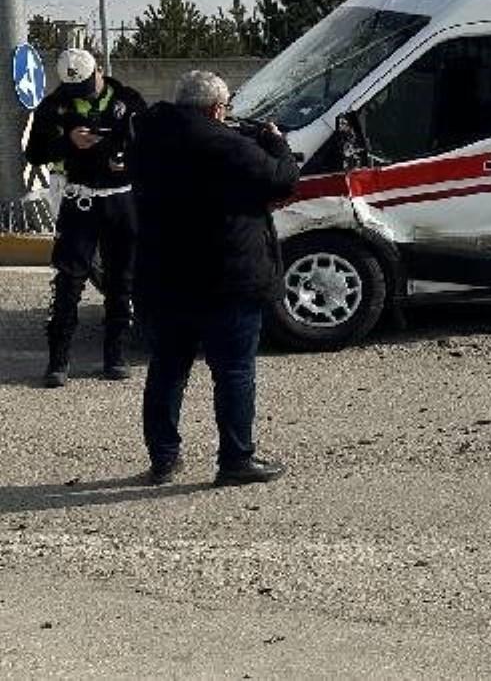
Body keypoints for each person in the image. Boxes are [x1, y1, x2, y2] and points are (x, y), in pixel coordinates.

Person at [128, 71, 299, 486]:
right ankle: (235, 460)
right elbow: (282, 177)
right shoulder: (224, 144)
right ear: (217, 108)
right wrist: (275, 141)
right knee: (235, 371)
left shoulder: (146, 138)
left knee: (167, 369)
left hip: (163, 277)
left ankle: (164, 459)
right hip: (226, 278)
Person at [23, 48, 146, 387]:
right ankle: (58, 362)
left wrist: (128, 160)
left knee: (121, 281)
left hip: (121, 201)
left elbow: (148, 143)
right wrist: (66, 143)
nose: (83, 95)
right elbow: (33, 153)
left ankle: (115, 356)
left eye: (87, 86)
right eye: (74, 90)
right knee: (69, 281)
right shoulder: (53, 106)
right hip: (79, 202)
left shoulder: (128, 99)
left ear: (98, 71)